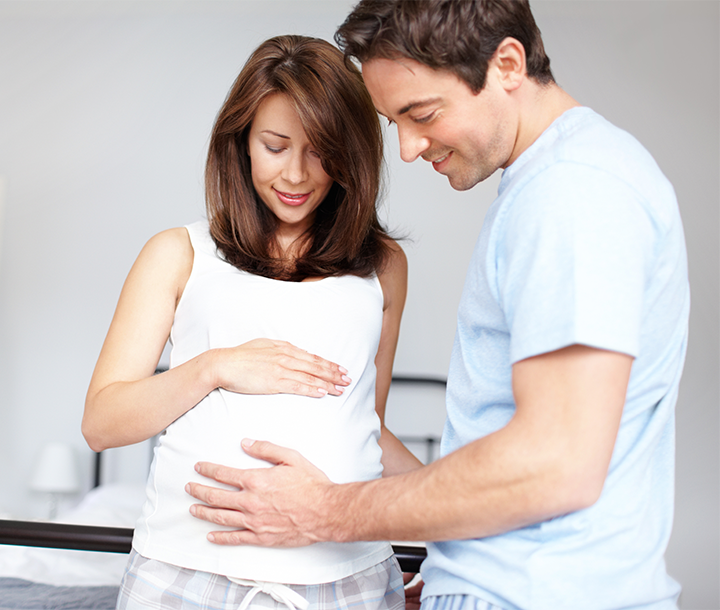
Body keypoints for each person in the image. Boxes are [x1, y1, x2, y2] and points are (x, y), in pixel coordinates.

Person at [184, 2, 690, 610]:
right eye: (393, 121)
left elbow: (556, 463)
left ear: (508, 65)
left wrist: (323, 510)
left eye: (421, 114)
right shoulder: (565, 180)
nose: (407, 147)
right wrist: (456, 563)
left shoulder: (573, 193)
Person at [82, 34, 423, 610]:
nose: (296, 174)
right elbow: (101, 424)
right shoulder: (177, 253)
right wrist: (215, 367)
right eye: (275, 146)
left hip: (346, 576)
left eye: (321, 151)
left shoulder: (383, 265)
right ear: (240, 142)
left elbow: (368, 425)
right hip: (189, 572)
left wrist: (456, 522)